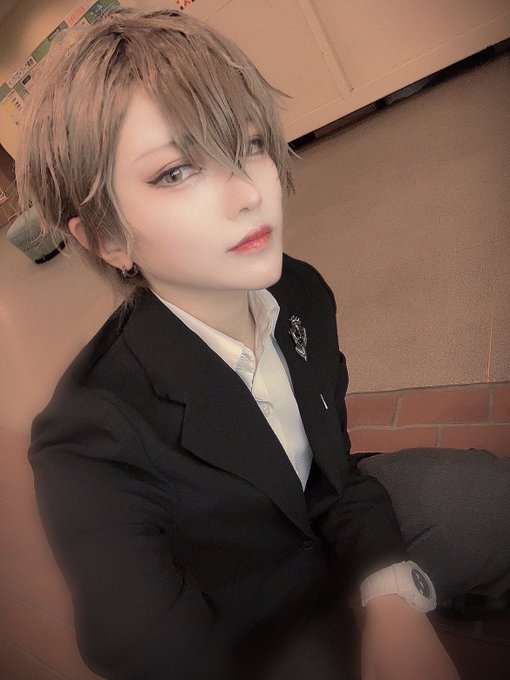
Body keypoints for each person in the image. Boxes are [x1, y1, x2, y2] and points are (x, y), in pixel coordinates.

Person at [16, 8, 461, 680]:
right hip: (258, 647)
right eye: (176, 172)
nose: (248, 192)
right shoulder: (90, 439)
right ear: (106, 237)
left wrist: (392, 598)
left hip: (338, 550)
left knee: (484, 501)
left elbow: (334, 477)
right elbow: (158, 654)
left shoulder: (301, 292)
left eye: (249, 143)